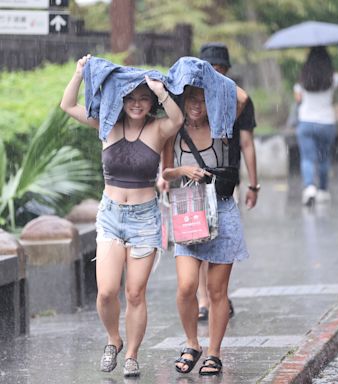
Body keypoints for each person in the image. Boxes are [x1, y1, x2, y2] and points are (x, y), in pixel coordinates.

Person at [60, 54, 184, 377]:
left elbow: (178, 119)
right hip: (111, 216)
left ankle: (131, 354)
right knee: (105, 291)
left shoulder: (158, 129)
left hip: (144, 218)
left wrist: (161, 92)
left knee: (134, 292)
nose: (138, 104)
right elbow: (68, 105)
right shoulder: (107, 124)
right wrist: (78, 74)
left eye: (144, 99)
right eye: (132, 98)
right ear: (121, 99)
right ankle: (113, 338)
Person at [161, 84, 249, 376]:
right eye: (191, 100)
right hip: (189, 212)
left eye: (202, 99)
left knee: (216, 291)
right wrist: (184, 171)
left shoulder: (222, 129)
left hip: (222, 210)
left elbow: (243, 98)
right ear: (183, 103)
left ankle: (214, 352)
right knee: (186, 286)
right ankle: (192, 342)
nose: (196, 105)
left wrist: (208, 76)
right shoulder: (174, 130)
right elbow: (165, 173)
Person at [196, 42, 259, 322]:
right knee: (195, 238)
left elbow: (246, 143)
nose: (214, 74)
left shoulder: (236, 100)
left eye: (220, 69)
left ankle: (217, 294)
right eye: (209, 69)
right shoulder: (192, 101)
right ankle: (202, 300)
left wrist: (253, 184)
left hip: (225, 180)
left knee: (220, 240)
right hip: (193, 179)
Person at [293, 46, 338, 206]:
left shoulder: (302, 80)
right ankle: (323, 191)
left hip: (306, 122)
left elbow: (298, 99)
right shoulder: (332, 78)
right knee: (324, 158)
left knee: (307, 158)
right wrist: (335, 76)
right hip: (326, 123)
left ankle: (310, 187)